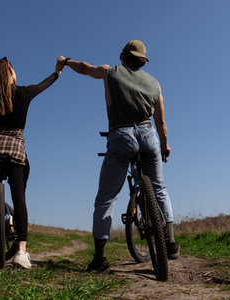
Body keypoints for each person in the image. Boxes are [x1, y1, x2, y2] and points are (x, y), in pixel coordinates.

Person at [59, 40, 179, 271]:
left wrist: (66, 61)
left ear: (124, 56)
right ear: (142, 61)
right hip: (148, 135)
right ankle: (171, 243)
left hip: (121, 135)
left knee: (106, 197)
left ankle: (100, 258)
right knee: (159, 188)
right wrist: (165, 146)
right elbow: (161, 122)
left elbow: (84, 67)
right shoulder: (155, 83)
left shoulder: (110, 72)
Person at [0, 56, 65, 269]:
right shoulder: (25, 93)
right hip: (15, 147)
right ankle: (20, 252)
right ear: (10, 72)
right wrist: (57, 72)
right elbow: (46, 84)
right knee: (19, 197)